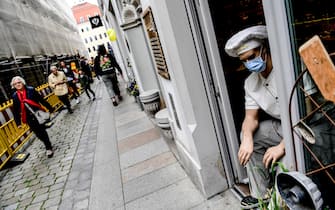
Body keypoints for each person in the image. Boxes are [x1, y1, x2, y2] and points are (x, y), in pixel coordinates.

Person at [225, 25, 285, 209]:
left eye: (252, 56)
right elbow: (251, 118)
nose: (250, 63)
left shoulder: (286, 69)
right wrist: (247, 138)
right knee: (248, 135)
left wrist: (283, 146)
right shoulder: (251, 83)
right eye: (245, 60)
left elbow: (305, 115)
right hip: (284, 126)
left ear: (264, 49)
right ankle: (261, 195)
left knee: (286, 161)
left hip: (311, 126)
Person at [11, 76, 55, 158]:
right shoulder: (14, 96)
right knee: (38, 134)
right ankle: (46, 142)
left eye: (19, 82)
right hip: (28, 117)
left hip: (37, 114)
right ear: (13, 85)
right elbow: (16, 111)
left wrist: (50, 108)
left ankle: (48, 147)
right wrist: (18, 123)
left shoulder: (31, 90)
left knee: (42, 131)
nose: (18, 84)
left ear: (22, 82)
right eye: (15, 84)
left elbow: (41, 100)